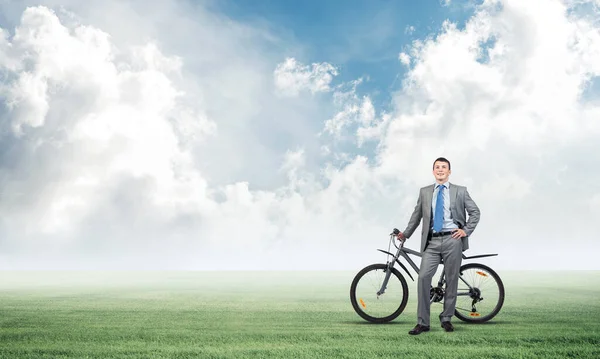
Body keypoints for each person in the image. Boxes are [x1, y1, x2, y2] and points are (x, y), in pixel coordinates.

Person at [396, 157, 480, 335]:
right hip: (431, 242)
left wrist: (465, 231)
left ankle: (447, 318)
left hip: (453, 240)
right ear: (433, 171)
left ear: (449, 171)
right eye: (437, 167)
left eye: (444, 167)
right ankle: (423, 323)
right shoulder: (425, 192)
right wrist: (405, 234)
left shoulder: (461, 191)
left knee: (451, 280)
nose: (440, 170)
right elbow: (416, 216)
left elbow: (475, 212)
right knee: (423, 278)